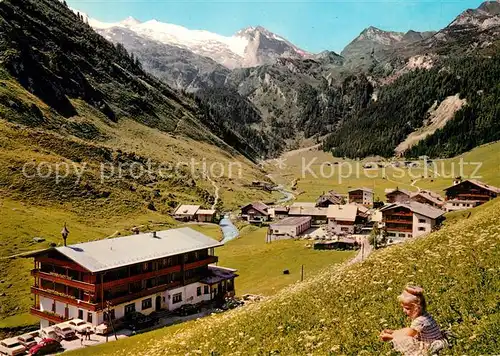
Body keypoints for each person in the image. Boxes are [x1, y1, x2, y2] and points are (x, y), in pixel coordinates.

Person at [379, 285, 448, 356]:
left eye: (407, 308)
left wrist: (391, 337)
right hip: (436, 340)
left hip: (430, 346)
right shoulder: (424, 315)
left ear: (416, 308)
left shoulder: (419, 321)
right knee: (408, 336)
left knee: (404, 341)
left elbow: (407, 335)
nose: (404, 311)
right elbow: (409, 330)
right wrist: (393, 332)